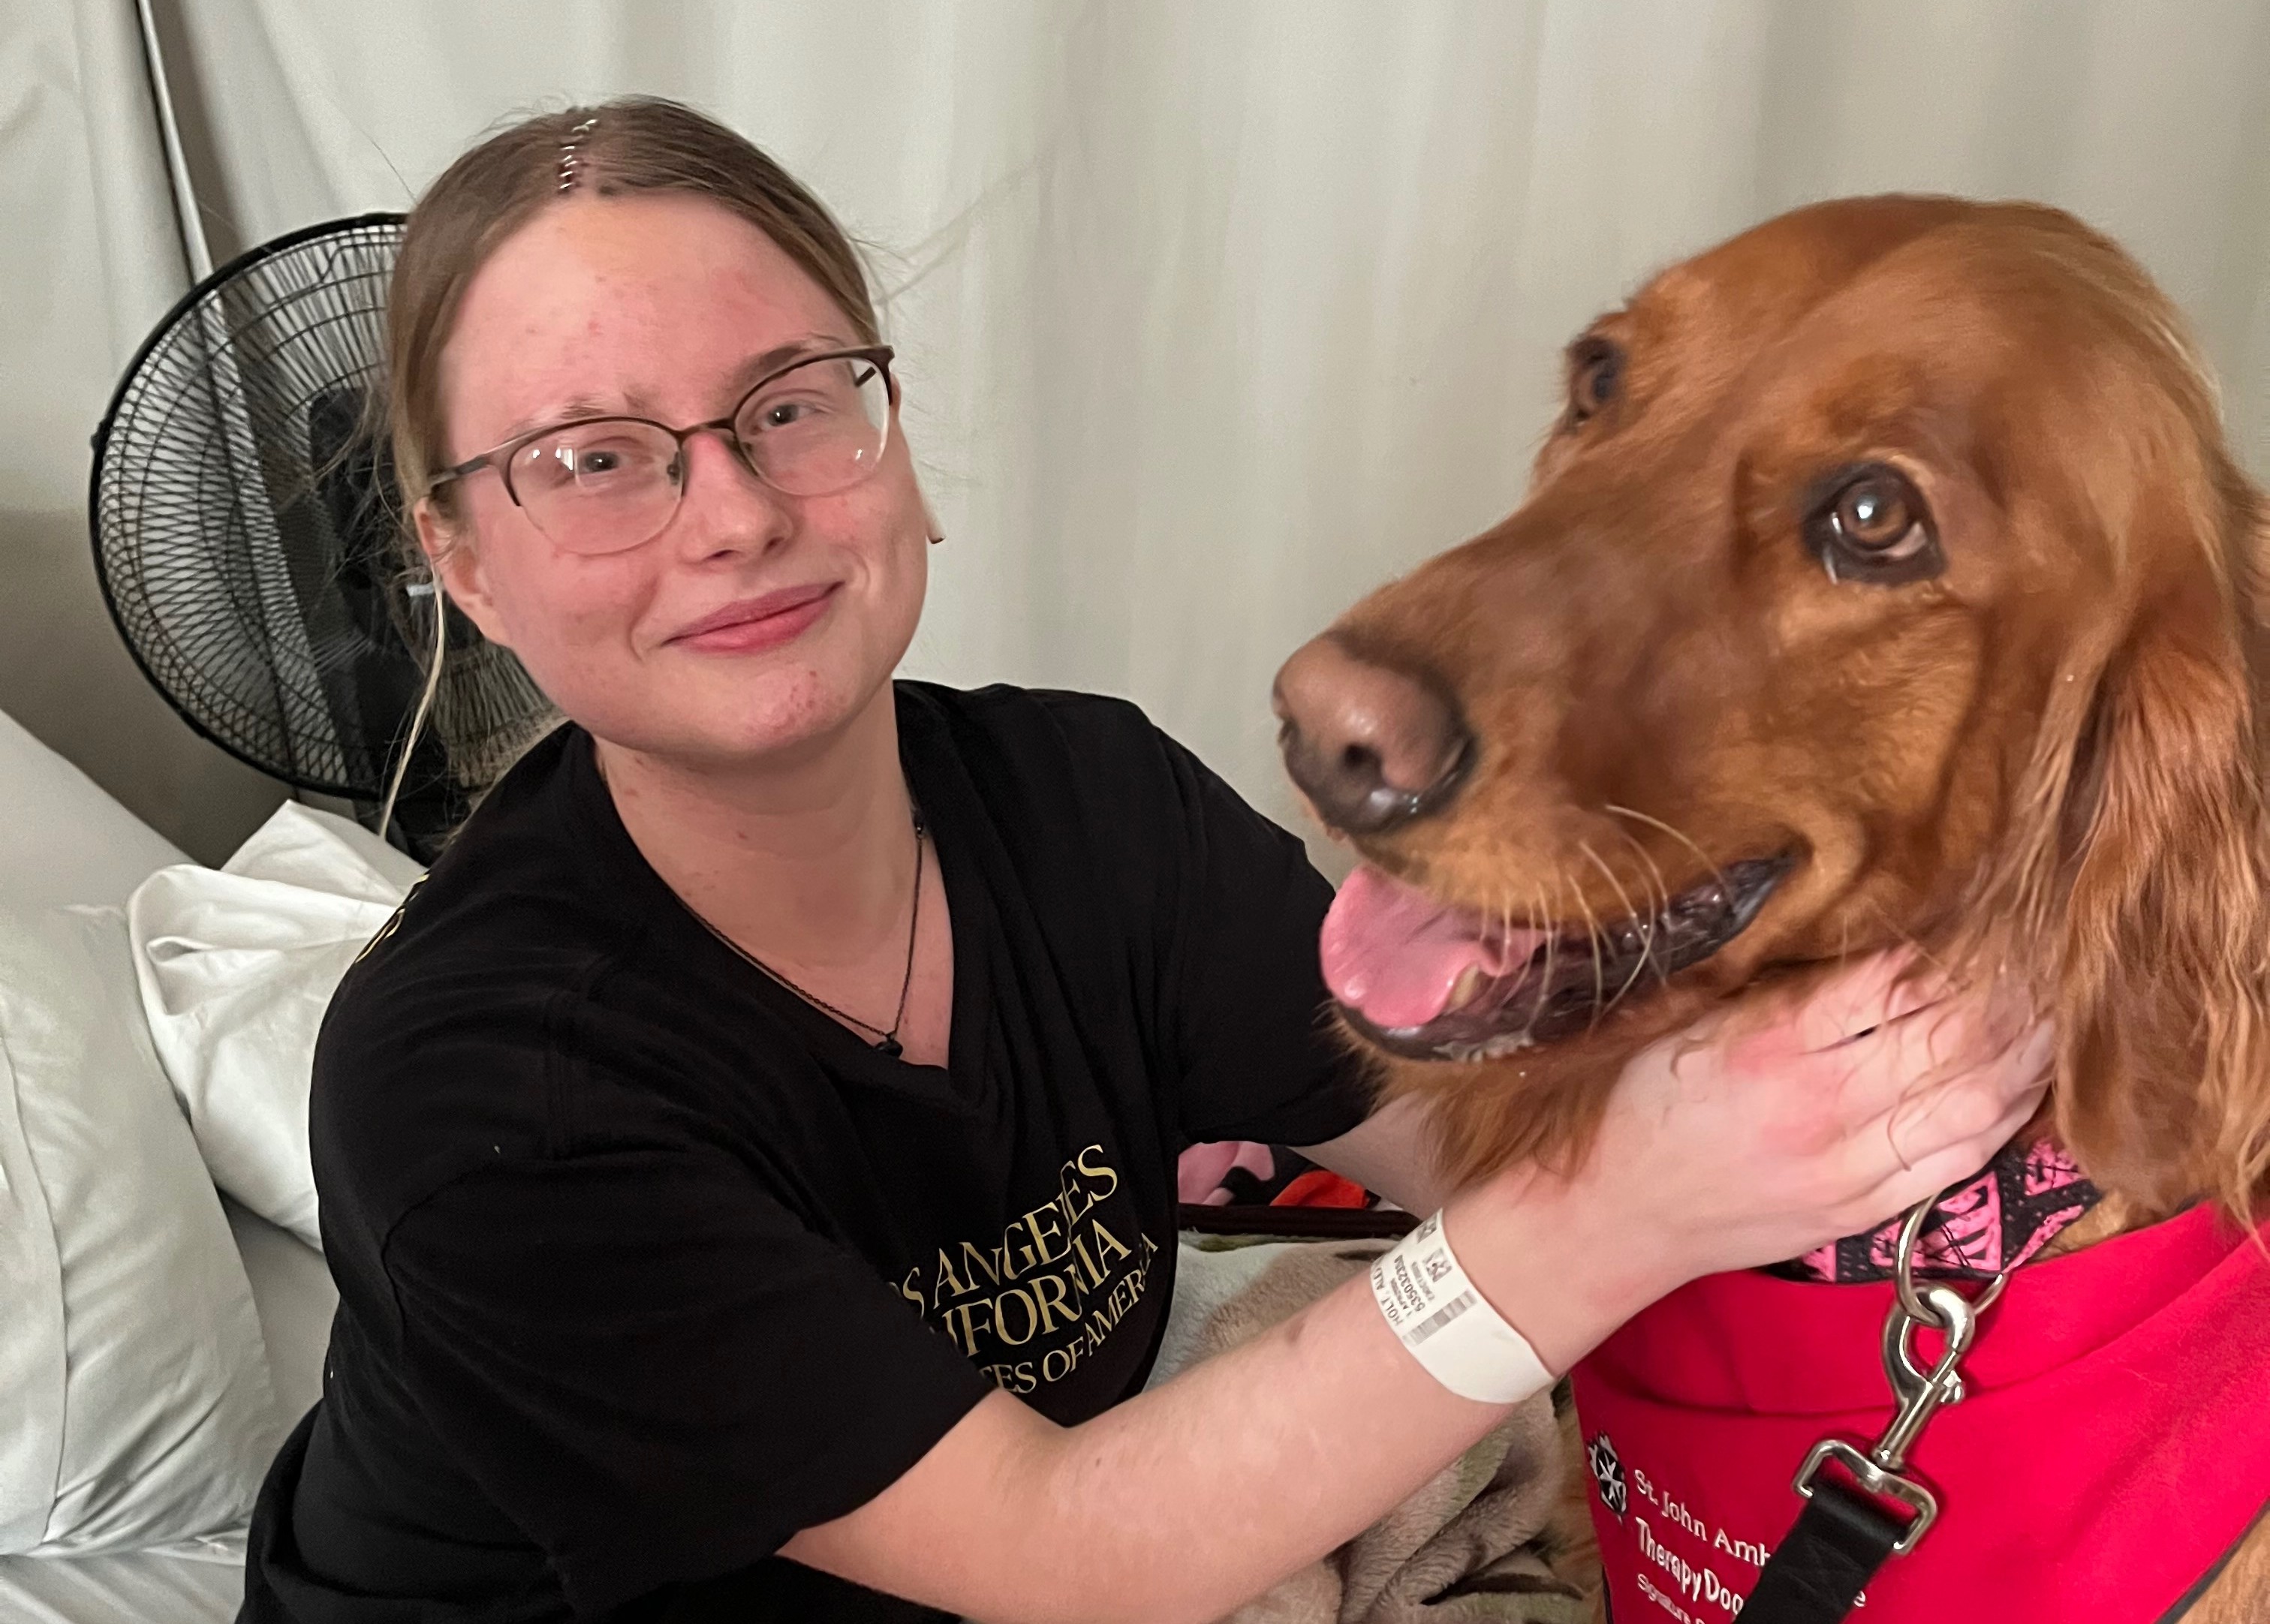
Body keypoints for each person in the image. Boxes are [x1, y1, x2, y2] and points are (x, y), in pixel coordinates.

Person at [239, 98, 2052, 1624]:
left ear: (893, 435)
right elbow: (1061, 1543)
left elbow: (1474, 1119)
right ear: (465, 563)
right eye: (594, 457)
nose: (735, 509)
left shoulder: (1078, 796)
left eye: (791, 399)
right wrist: (1618, 1209)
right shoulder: (477, 1091)